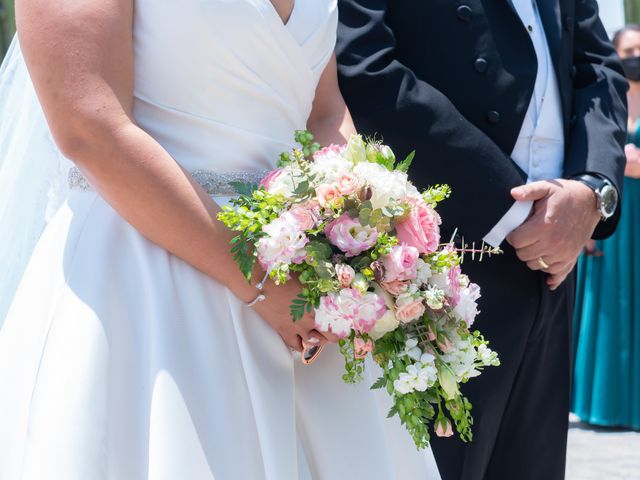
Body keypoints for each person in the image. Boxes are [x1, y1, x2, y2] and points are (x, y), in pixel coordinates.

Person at [0, 1, 442, 478]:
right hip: (148, 280)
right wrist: (259, 281)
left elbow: (323, 110)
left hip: (303, 289)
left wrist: (354, 240)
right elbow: (89, 126)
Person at [336, 0, 627, 479]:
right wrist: (514, 209)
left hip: (556, 263)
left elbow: (598, 70)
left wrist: (592, 190)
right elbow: (364, 68)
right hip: (438, 260)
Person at [572, 24, 640, 431]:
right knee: (610, 306)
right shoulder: (607, 100)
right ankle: (605, 406)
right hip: (613, 224)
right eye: (630, 49)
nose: (636, 56)